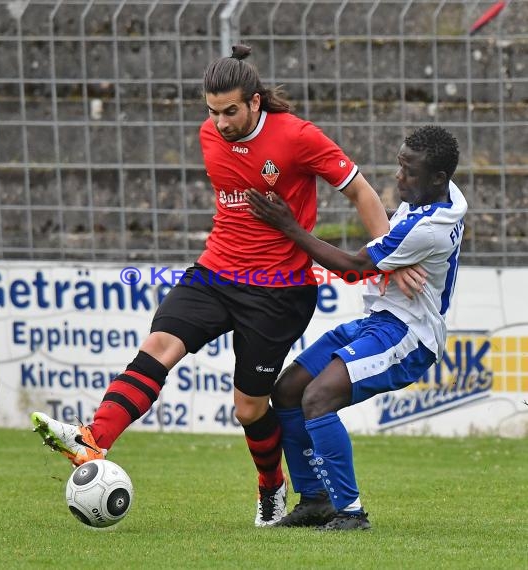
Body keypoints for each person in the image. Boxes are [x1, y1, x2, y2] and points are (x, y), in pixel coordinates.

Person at [30, 45, 416, 527]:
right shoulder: (209, 134)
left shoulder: (297, 137)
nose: (220, 122)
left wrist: (387, 257)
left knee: (249, 407)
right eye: (212, 112)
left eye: (230, 111)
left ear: (255, 102)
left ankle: (272, 488)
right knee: (159, 345)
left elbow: (359, 189)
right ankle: (94, 438)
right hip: (214, 273)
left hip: (277, 292)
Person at [246, 124, 466, 531]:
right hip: (379, 321)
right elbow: (390, 250)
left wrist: (290, 227)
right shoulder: (443, 196)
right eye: (400, 166)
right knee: (287, 389)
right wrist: (394, 262)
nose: (399, 177)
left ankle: (349, 512)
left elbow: (351, 268)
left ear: (438, 177)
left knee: (318, 398)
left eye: (409, 171)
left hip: (408, 334)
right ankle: (314, 499)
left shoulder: (430, 226)